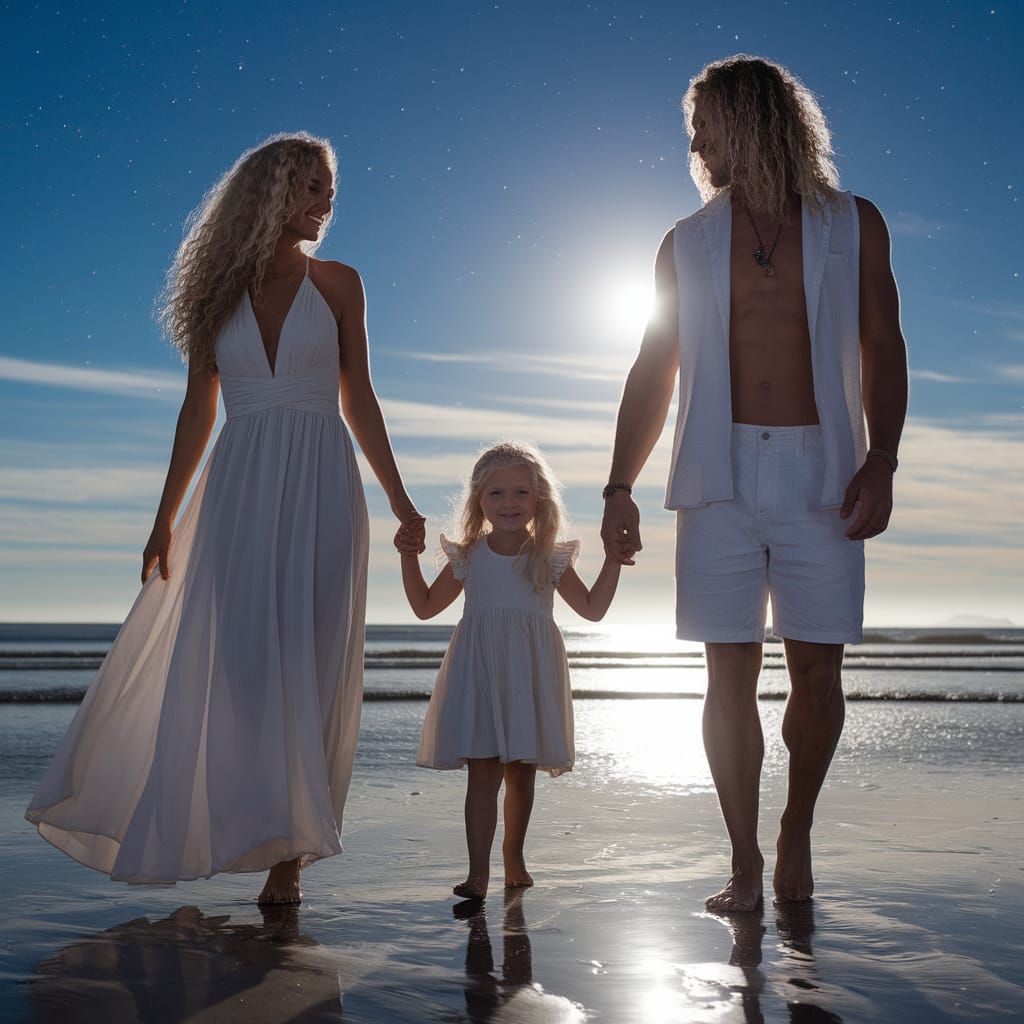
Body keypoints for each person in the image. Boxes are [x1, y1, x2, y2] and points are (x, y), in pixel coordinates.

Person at [26, 132, 425, 905]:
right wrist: (162, 519)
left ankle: (290, 858)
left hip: (321, 482)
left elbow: (360, 399)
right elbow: (195, 414)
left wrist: (401, 500)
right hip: (238, 485)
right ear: (269, 193)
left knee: (309, 659)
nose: (325, 202)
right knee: (241, 667)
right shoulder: (215, 294)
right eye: (310, 187)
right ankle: (245, 822)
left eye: (328, 188)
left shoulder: (341, 284)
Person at [601, 56, 908, 912]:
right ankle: (741, 858)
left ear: (747, 119)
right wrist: (617, 487)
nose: (694, 144)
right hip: (717, 470)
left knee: (817, 673)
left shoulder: (853, 223)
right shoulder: (685, 241)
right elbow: (653, 365)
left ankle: (794, 832)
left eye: (703, 124)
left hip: (825, 467)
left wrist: (882, 457)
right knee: (725, 676)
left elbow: (884, 342)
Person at [397, 442, 621, 899]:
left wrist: (614, 560)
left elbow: (593, 609)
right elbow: (423, 606)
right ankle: (477, 873)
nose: (509, 503)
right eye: (496, 493)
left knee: (521, 772)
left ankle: (513, 857)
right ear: (478, 500)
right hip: (480, 674)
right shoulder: (468, 556)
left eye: (521, 492)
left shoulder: (549, 557)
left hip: (530, 677)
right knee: (482, 773)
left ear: (539, 499)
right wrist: (406, 556)